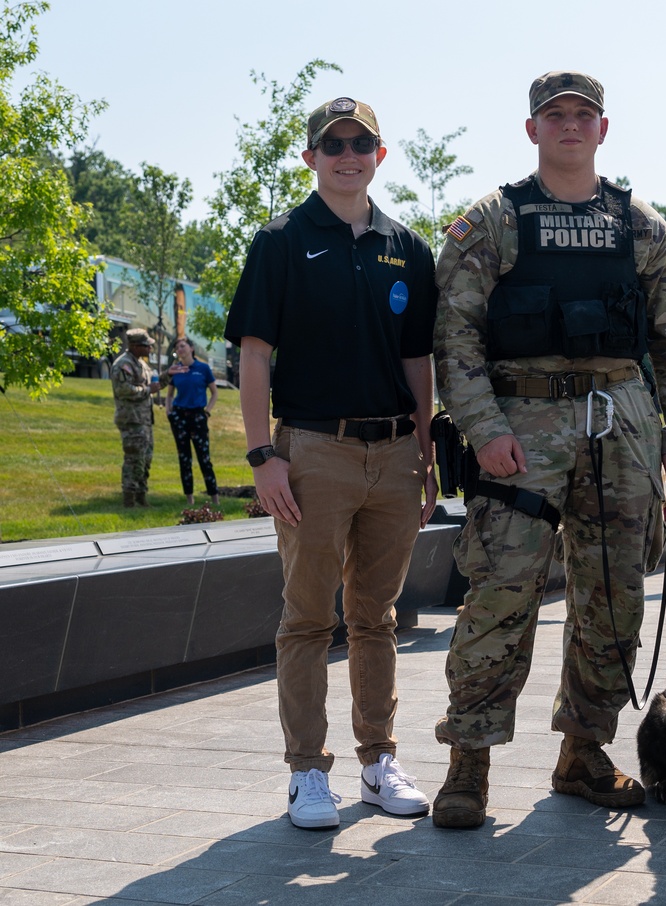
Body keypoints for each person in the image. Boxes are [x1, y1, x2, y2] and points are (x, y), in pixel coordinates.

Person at [431, 71, 666, 828]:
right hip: (520, 428)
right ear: (532, 130)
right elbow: (453, 337)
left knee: (615, 597)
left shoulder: (642, 227)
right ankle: (469, 763)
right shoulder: (493, 221)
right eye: (555, 115)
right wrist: (484, 430)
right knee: (499, 592)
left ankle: (584, 750)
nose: (570, 126)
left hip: (621, 424)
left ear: (603, 129)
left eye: (584, 114)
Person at [224, 95, 438, 829]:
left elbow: (418, 358)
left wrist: (427, 452)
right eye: (333, 142)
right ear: (310, 156)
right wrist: (262, 457)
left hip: (396, 453)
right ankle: (307, 775)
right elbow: (254, 355)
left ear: (381, 154)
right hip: (313, 452)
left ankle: (378, 761)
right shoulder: (280, 241)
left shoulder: (407, 247)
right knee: (309, 618)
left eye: (361, 142)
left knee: (377, 618)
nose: (348, 154)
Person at [165, 336, 220, 506]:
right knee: (184, 458)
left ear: (191, 348)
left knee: (204, 458)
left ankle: (215, 498)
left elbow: (214, 393)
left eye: (183, 346)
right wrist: (169, 412)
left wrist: (207, 412)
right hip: (180, 417)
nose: (180, 349)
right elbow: (169, 394)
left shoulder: (203, 369)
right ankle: (189, 499)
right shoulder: (175, 370)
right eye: (177, 347)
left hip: (198, 416)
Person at [111, 327, 157, 508]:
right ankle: (129, 499)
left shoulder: (142, 365)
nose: (150, 349)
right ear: (136, 346)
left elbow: (152, 385)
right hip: (132, 420)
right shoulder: (123, 365)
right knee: (134, 459)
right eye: (147, 346)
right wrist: (147, 390)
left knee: (146, 459)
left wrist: (169, 376)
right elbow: (124, 390)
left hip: (145, 421)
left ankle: (141, 496)